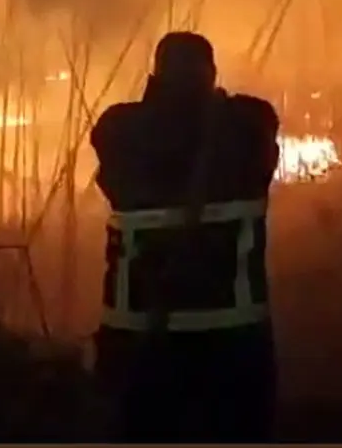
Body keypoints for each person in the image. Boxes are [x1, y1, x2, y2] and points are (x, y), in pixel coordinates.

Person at [89, 31, 280, 442]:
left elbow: (129, 146)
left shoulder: (119, 131)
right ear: (210, 74)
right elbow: (256, 130)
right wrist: (213, 104)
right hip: (234, 339)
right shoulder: (248, 126)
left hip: (138, 338)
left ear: (155, 75)